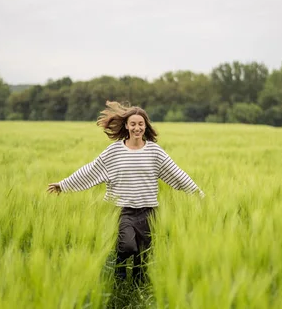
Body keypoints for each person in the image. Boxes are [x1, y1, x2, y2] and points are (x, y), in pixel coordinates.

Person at [48, 101, 204, 284]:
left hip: (148, 210)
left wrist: (196, 192)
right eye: (133, 124)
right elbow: (91, 170)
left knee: (144, 254)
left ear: (145, 126)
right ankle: (120, 277)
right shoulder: (114, 151)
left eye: (140, 124)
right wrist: (64, 185)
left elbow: (176, 173)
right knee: (128, 245)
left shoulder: (154, 151)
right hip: (122, 210)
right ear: (126, 126)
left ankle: (135, 287)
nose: (137, 128)